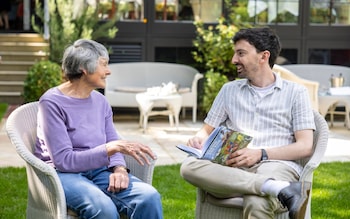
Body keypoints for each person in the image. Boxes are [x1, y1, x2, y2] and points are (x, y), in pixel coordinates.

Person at [180, 27, 315, 219]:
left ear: (263, 56)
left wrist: (261, 154)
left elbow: (305, 146)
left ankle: (264, 186)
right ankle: (278, 189)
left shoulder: (296, 93)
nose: (234, 60)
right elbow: (206, 130)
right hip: (233, 166)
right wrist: (198, 139)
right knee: (189, 167)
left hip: (276, 164)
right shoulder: (229, 90)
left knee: (257, 200)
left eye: (241, 53)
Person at [34, 39, 163, 219]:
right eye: (104, 65)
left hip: (98, 170)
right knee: (103, 209)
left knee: (148, 198)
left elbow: (112, 139)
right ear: (84, 68)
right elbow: (64, 160)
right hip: (62, 174)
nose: (108, 71)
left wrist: (119, 169)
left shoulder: (100, 101)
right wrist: (111, 149)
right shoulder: (51, 103)